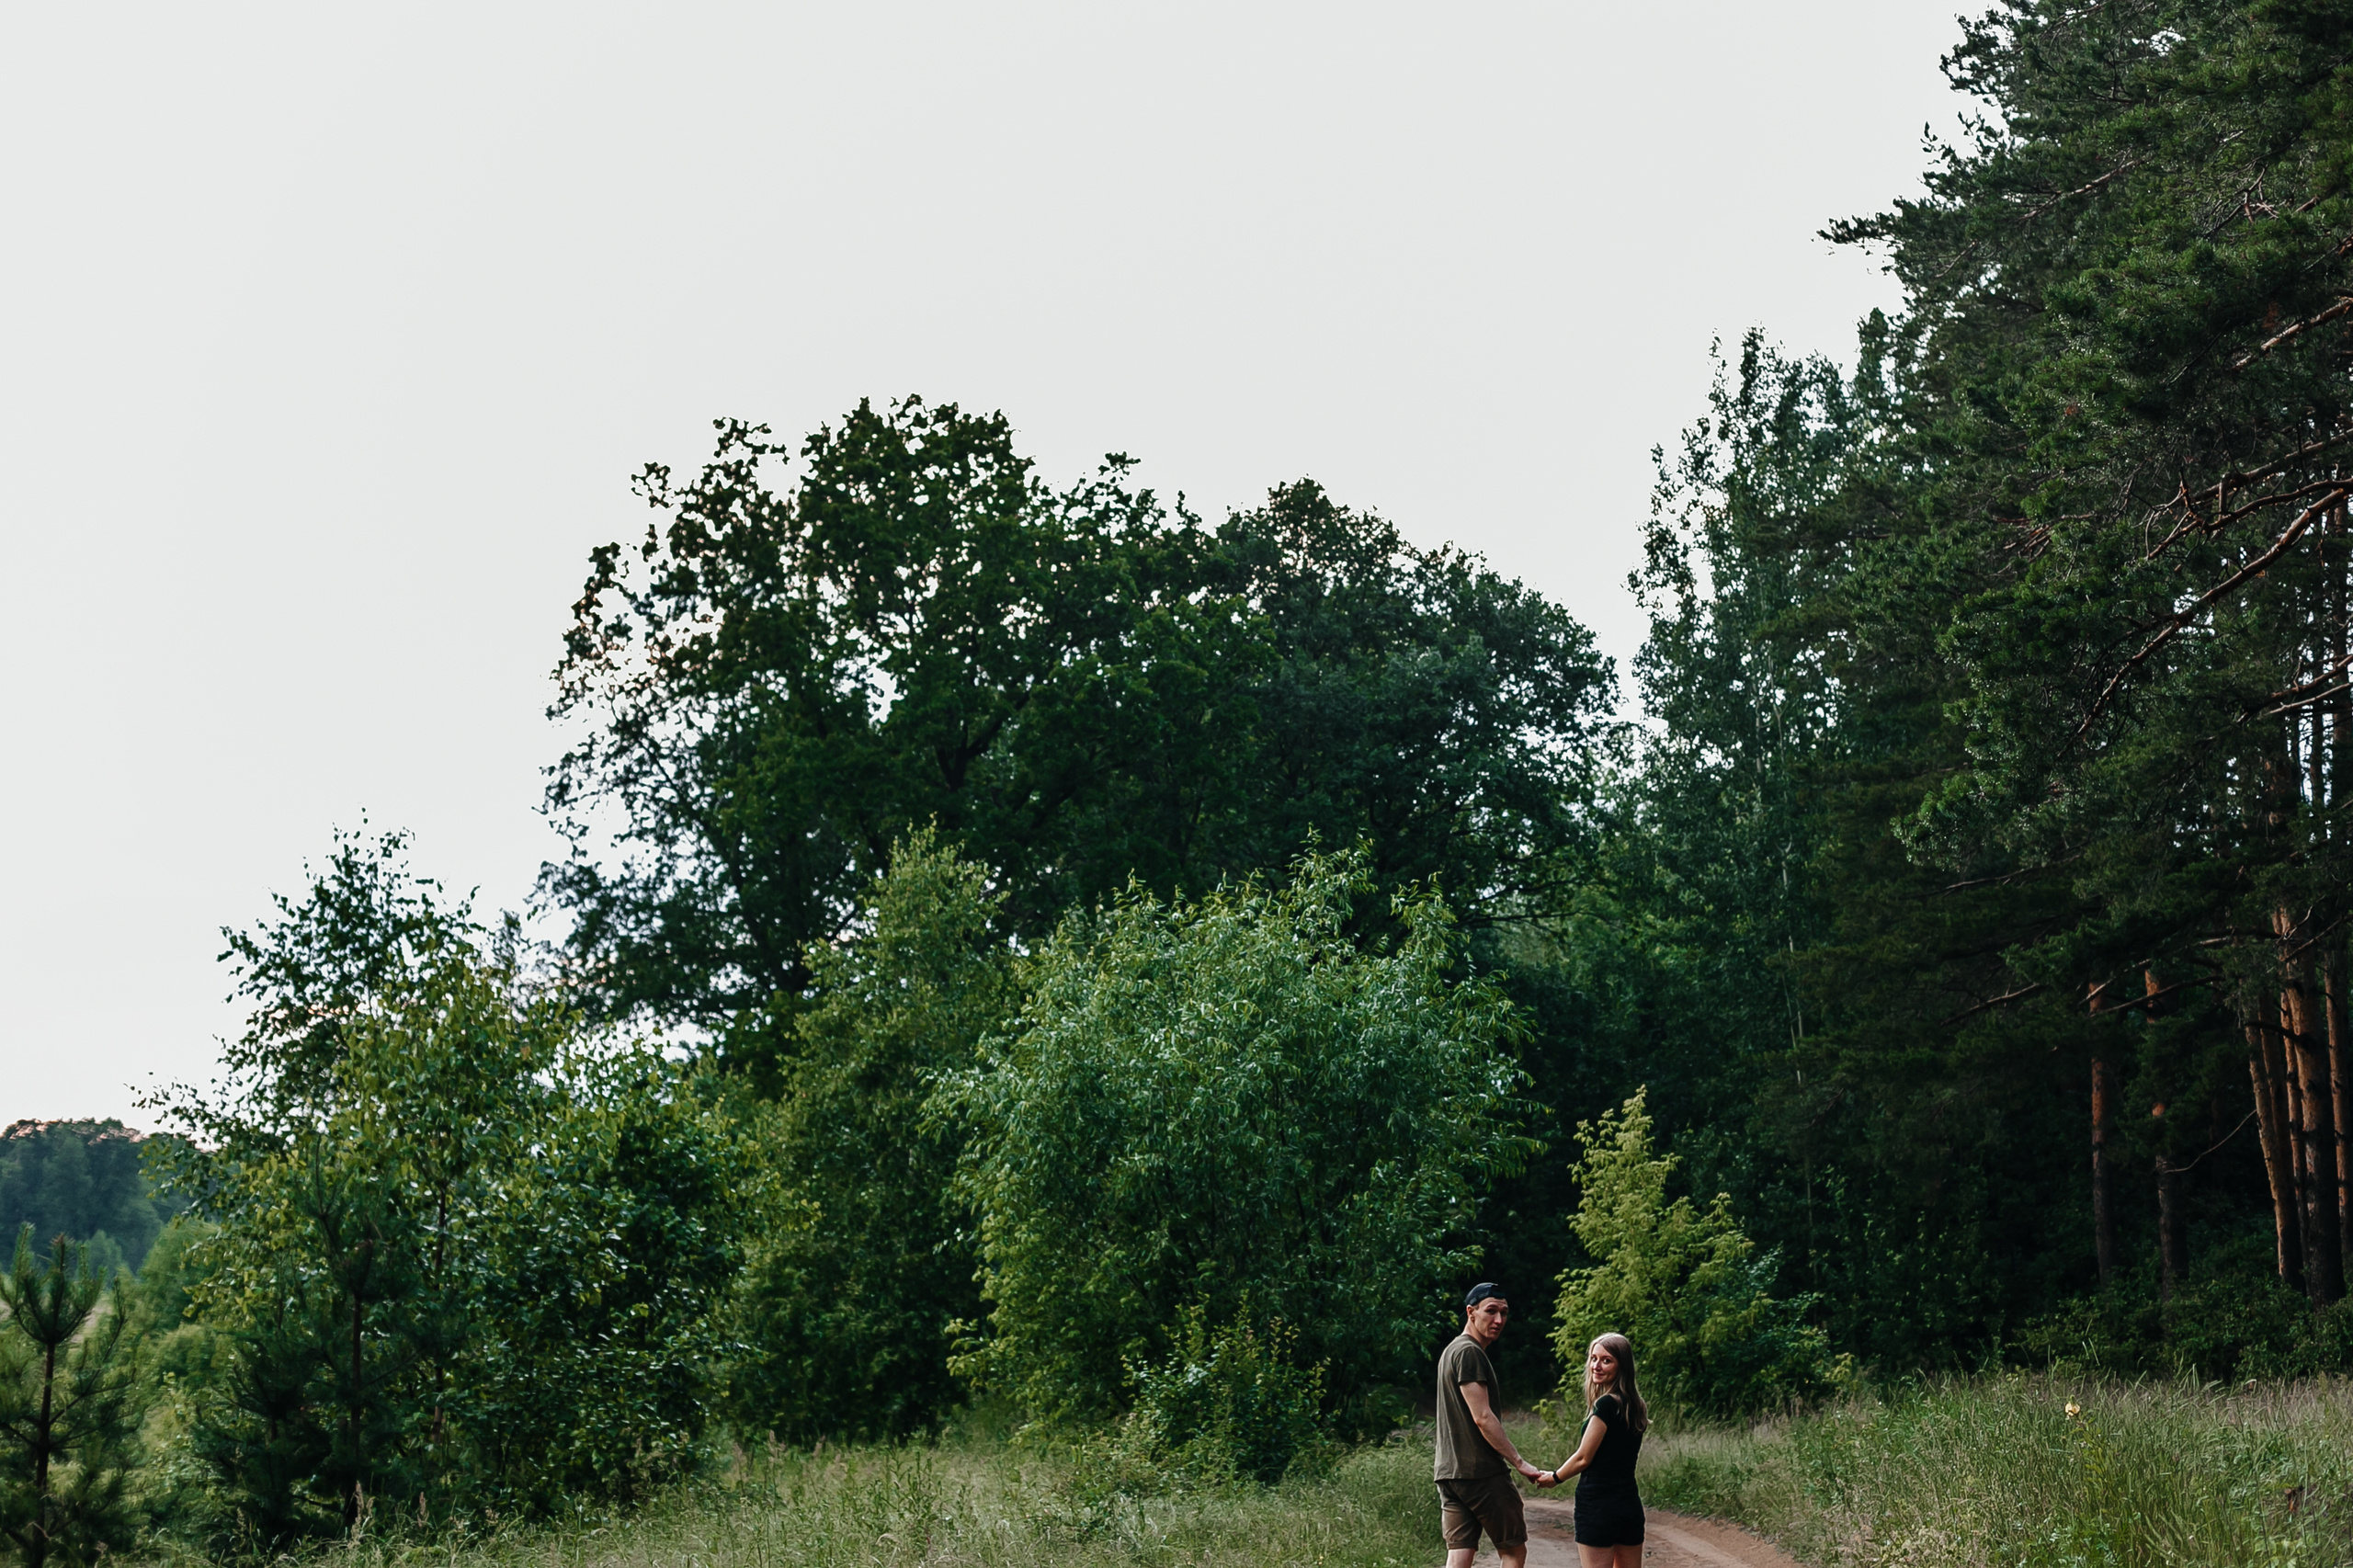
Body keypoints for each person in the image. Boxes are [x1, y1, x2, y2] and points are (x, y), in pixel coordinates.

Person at [1434, 1282, 1550, 1568]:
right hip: (1480, 1471)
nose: (1498, 1320)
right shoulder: (1469, 1352)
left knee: (1460, 1553)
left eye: (1504, 1313)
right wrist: (1520, 1463)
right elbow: (1482, 1417)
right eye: (1491, 1311)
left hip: (1450, 1473)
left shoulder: (1452, 1350)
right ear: (1471, 1312)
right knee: (1512, 1551)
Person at [1538, 1332, 1648, 1568]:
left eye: (1606, 1360)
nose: (1596, 1366)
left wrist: (1554, 1478)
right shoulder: (1637, 1406)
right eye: (1593, 1358)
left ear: (1622, 1366)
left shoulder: (1607, 1405)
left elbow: (1583, 1458)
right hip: (1629, 1504)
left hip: (1598, 1505)